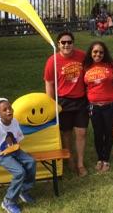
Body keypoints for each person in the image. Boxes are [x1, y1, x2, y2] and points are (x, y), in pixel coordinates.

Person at [44, 31, 89, 177]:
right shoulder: (53, 61)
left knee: (81, 132)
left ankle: (80, 163)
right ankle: (69, 158)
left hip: (81, 100)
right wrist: (51, 104)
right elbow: (49, 83)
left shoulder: (82, 56)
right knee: (66, 133)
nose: (66, 45)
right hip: (63, 101)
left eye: (69, 42)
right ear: (58, 45)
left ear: (73, 43)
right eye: (63, 42)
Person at [0, 100, 36, 213]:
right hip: (1, 155)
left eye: (10, 108)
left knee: (31, 162)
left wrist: (22, 154)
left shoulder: (15, 122)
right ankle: (8, 202)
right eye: (4, 110)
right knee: (20, 172)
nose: (8, 111)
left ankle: (23, 190)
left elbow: (17, 139)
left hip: (15, 150)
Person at [83, 41, 113, 173]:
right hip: (94, 105)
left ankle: (106, 159)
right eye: (95, 52)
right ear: (91, 53)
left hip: (110, 104)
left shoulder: (111, 65)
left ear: (105, 53)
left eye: (101, 52)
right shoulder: (86, 66)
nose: (98, 54)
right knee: (98, 133)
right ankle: (100, 158)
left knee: (109, 132)